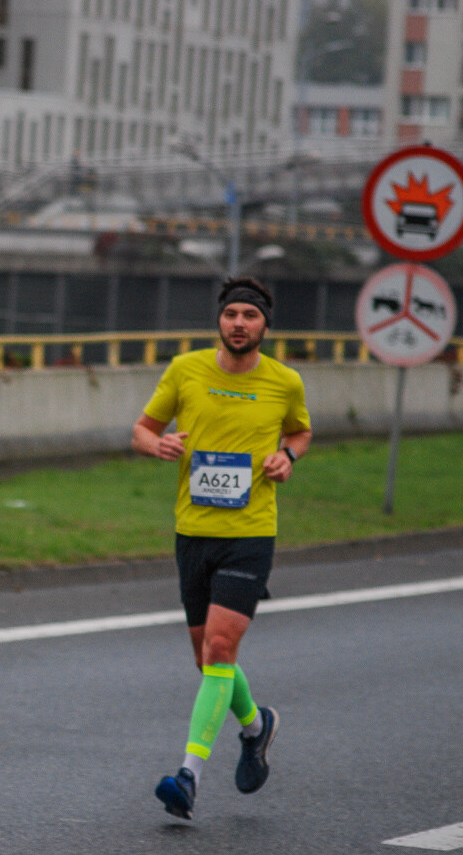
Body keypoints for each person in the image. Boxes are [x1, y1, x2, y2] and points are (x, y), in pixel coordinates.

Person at [130, 277, 312, 821]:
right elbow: (141, 428)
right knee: (207, 659)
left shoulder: (285, 381)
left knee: (219, 652)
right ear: (220, 321)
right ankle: (257, 728)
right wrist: (157, 443)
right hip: (193, 532)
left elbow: (300, 432)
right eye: (231, 313)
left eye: (249, 316)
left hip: (251, 534)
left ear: (264, 326)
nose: (239, 323)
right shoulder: (186, 371)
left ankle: (188, 775)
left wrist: (288, 456)